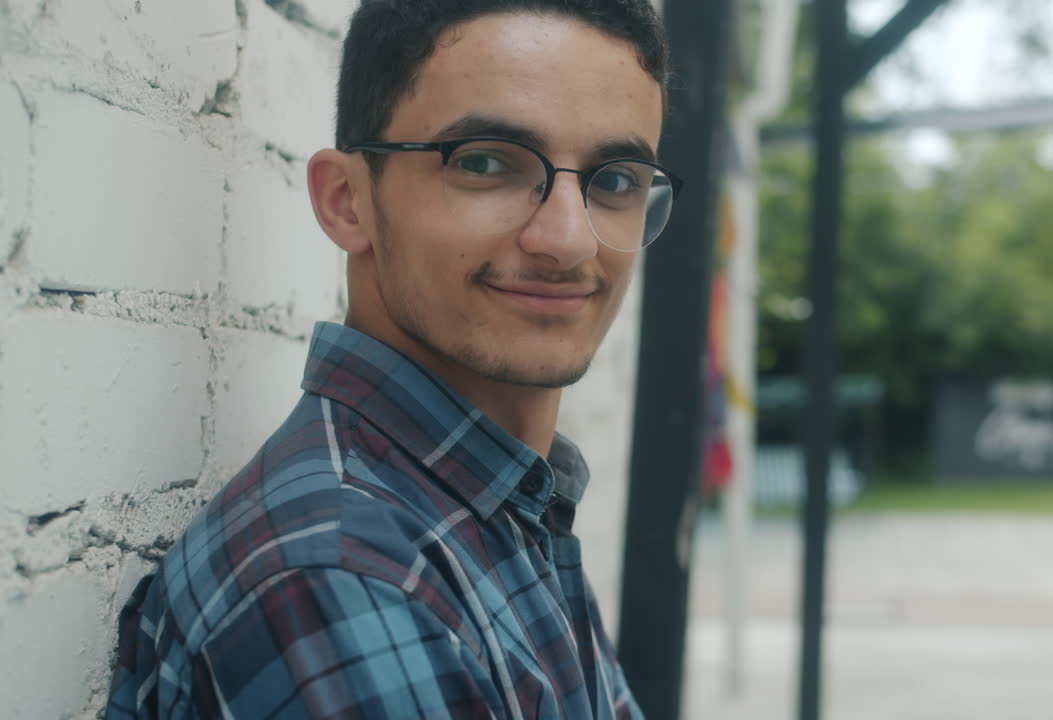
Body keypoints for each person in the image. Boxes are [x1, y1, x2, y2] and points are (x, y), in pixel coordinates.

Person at [107, 1, 680, 717]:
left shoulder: (503, 501)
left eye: (617, 178)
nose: (568, 240)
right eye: (485, 163)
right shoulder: (341, 577)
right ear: (348, 201)